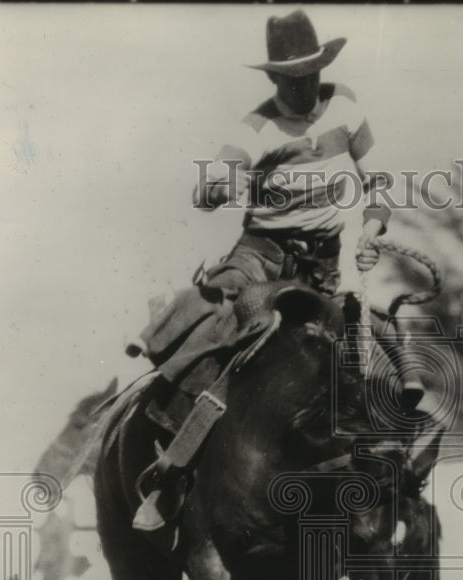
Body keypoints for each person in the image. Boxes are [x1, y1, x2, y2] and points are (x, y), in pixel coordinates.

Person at [134, 10, 422, 530]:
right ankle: (170, 472)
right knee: (214, 331)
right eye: (293, 78)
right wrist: (221, 184)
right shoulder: (254, 128)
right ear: (273, 79)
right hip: (259, 258)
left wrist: (373, 231)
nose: (305, 86)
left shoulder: (346, 105)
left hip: (322, 268)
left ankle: (395, 487)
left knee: (366, 355)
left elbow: (379, 182)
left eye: (312, 73)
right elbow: (208, 189)